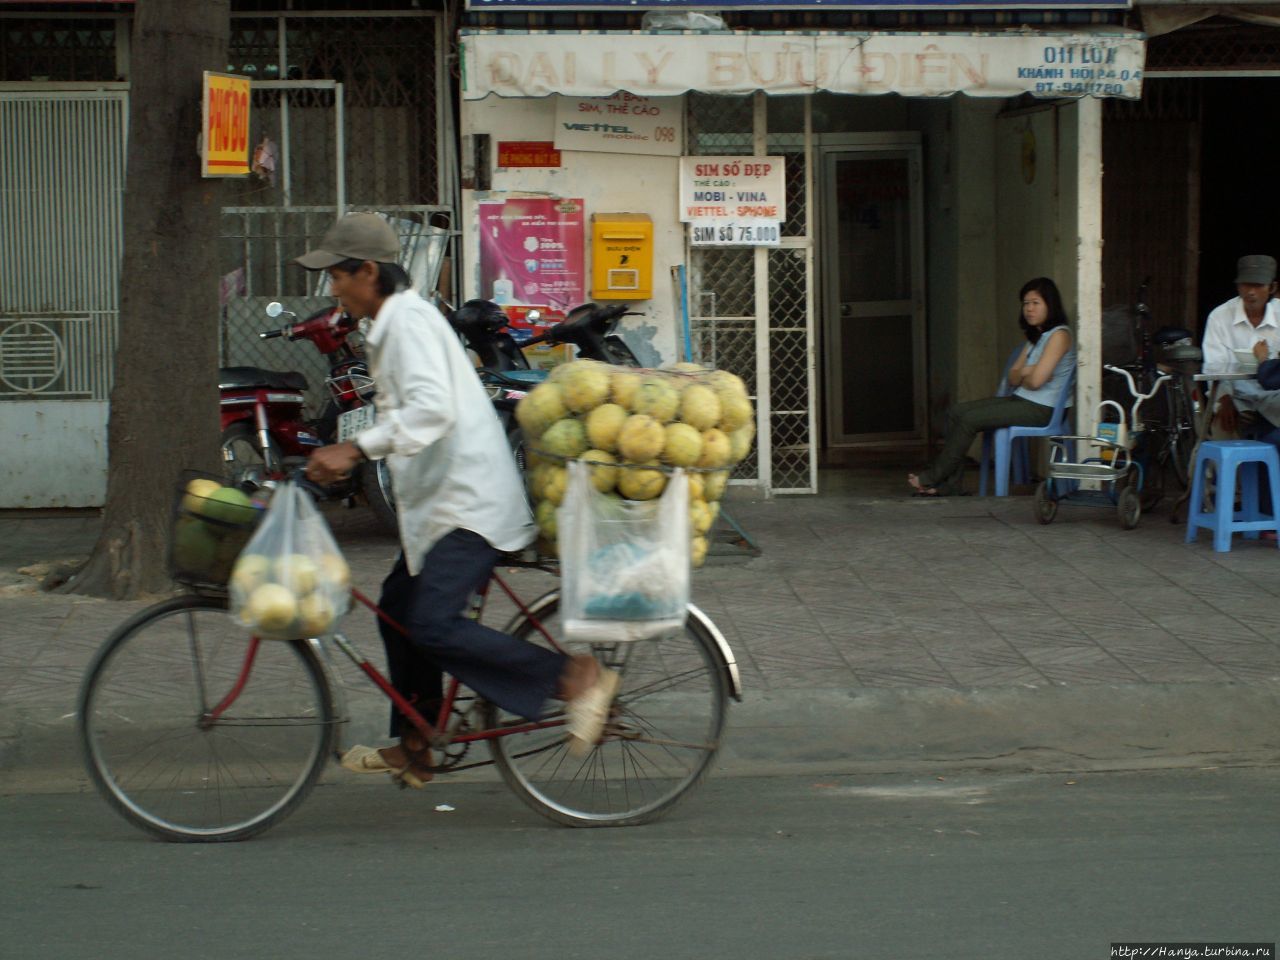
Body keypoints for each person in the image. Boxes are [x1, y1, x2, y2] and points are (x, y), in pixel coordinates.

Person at [298, 213, 618, 788]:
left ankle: (574, 677)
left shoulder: (409, 324)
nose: (333, 288)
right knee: (398, 607)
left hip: (469, 508)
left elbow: (430, 411)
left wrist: (354, 450)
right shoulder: (389, 323)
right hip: (440, 506)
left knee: (433, 625)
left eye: (337, 276)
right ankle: (418, 741)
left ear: (368, 271)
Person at [909, 277, 1075, 497]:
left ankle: (932, 477)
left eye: (1036, 303)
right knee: (956, 411)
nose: (1029, 309)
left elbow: (1036, 382)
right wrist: (1029, 370)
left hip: (1044, 409)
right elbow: (1014, 377)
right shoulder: (1037, 337)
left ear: (1050, 305)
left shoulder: (1060, 335)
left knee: (969, 420)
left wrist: (1027, 372)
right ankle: (951, 484)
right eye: (1025, 303)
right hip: (1023, 400)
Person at [1201, 254, 1280, 435]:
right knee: (1224, 437)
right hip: (1236, 399)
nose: (1251, 292)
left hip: (1274, 400)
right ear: (1238, 286)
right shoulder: (1219, 317)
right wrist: (1224, 399)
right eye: (1246, 284)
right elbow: (1213, 367)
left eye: (1258, 285)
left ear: (1272, 288)